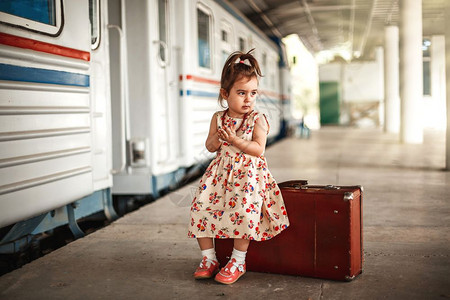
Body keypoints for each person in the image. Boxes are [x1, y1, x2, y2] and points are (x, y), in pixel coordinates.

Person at [187, 49, 289, 285]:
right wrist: (220, 139)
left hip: (249, 176)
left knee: (242, 213)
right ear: (225, 93)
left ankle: (238, 261)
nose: (248, 99)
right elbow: (211, 146)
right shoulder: (218, 118)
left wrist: (235, 140)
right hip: (220, 173)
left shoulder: (257, 119)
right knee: (200, 206)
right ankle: (209, 258)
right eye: (241, 93)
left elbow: (258, 149)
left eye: (253, 93)